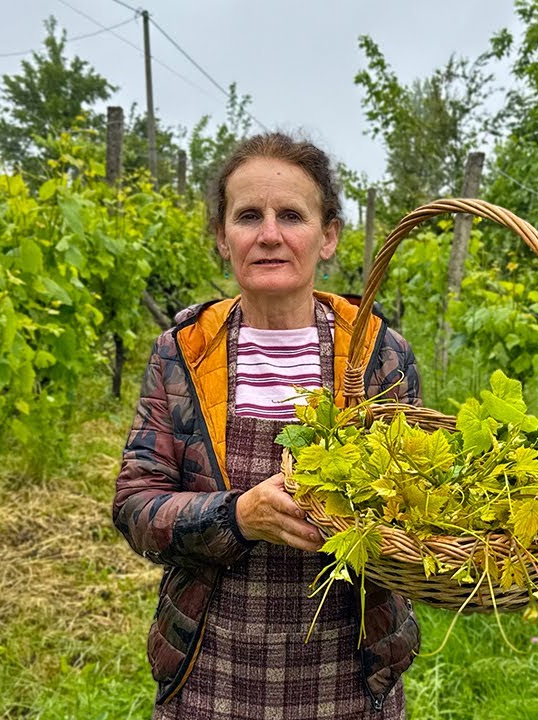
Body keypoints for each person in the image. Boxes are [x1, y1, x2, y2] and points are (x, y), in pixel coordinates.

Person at [113, 132, 422, 718]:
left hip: (350, 674)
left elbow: (412, 504)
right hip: (210, 669)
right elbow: (136, 509)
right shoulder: (184, 353)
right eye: (248, 215)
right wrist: (238, 515)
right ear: (222, 238)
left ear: (327, 236)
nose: (270, 234)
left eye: (292, 215)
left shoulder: (377, 353)